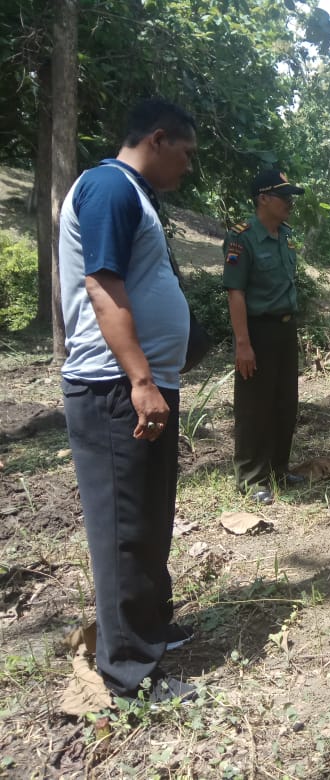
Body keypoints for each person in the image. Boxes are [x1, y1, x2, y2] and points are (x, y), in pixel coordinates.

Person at [59, 98, 199, 703]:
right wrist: (140, 380)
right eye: (186, 155)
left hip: (141, 386)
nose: (188, 168)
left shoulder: (135, 195)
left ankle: (151, 628)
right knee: (121, 528)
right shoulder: (109, 188)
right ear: (159, 139)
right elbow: (102, 283)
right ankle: (127, 672)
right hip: (114, 388)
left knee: (148, 515)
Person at [223, 170, 307, 504]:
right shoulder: (242, 238)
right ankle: (251, 477)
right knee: (254, 405)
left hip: (285, 329)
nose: (289, 202)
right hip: (257, 330)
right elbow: (236, 292)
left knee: (285, 402)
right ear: (263, 199)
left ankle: (278, 468)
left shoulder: (287, 236)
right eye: (283, 196)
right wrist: (243, 343)